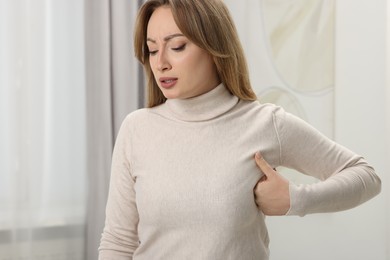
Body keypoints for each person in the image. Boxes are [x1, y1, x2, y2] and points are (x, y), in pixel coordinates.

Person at [98, 0, 382, 259]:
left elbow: (365, 176)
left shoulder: (265, 123)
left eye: (177, 46)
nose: (160, 63)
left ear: (214, 46)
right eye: (152, 49)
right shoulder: (137, 129)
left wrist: (295, 198)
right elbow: (118, 241)